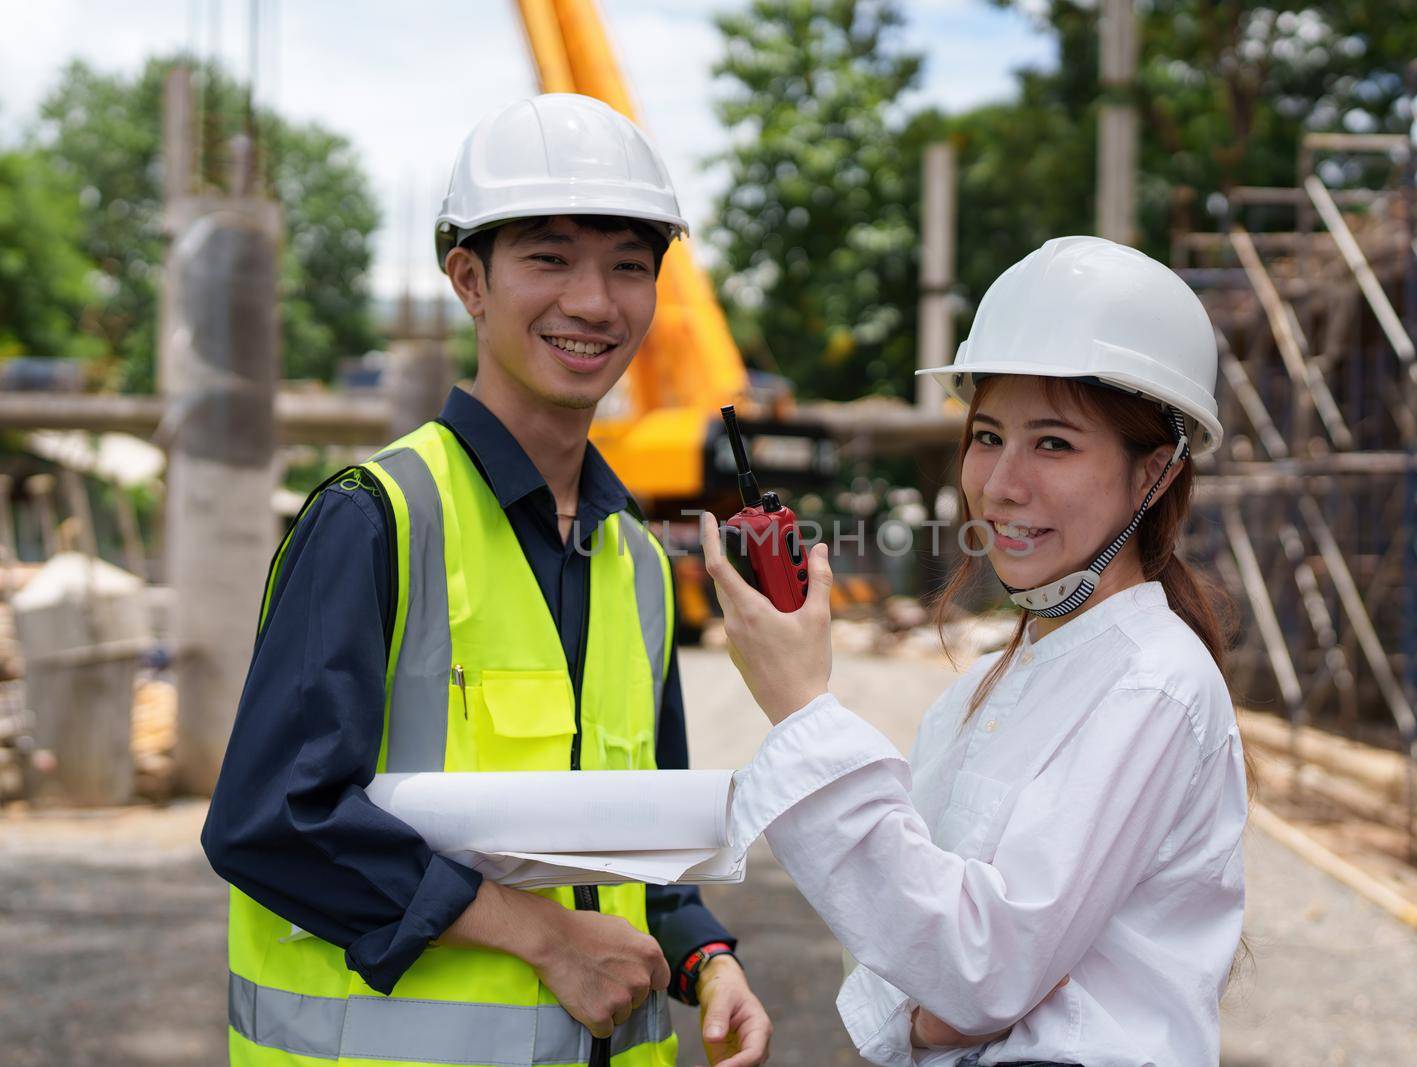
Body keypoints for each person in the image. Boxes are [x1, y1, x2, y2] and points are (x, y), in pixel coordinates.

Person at [203, 95, 771, 1067]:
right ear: (468, 278)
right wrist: (545, 935)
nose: (594, 300)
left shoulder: (633, 557)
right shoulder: (375, 518)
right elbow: (274, 821)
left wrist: (705, 956)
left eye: (628, 264)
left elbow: (638, 832)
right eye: (549, 258)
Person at [698, 237, 1248, 1067]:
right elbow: (903, 941)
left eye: (1055, 443)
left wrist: (803, 710)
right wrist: (922, 1019)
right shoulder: (980, 696)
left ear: (1156, 471)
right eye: (988, 435)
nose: (1000, 483)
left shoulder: (1154, 685)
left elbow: (977, 967)